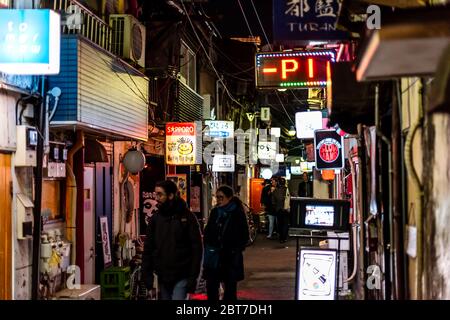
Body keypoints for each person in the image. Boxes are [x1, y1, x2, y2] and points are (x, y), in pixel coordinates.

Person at [142, 180, 203, 300]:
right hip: (163, 275)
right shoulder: (155, 219)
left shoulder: (187, 217)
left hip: (182, 274)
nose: (156, 198)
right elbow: (148, 248)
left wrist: (193, 278)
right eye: (156, 194)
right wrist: (147, 277)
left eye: (160, 194)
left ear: (170, 195)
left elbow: (197, 249)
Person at [203, 185, 249, 301]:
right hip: (214, 256)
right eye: (217, 197)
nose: (218, 200)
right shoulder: (215, 212)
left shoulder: (237, 213)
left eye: (221, 197)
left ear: (229, 198)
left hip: (230, 257)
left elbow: (244, 235)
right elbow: (208, 231)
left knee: (230, 289)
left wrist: (235, 249)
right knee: (211, 287)